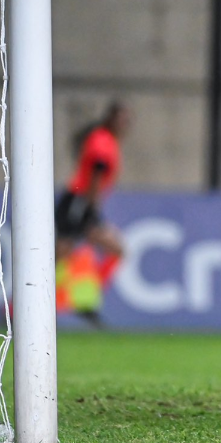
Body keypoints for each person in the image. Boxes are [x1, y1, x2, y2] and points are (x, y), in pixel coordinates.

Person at [54, 100, 131, 325]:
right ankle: (19, 306)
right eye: (122, 118)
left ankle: (86, 299)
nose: (126, 124)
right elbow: (96, 174)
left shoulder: (106, 140)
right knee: (59, 254)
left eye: (128, 120)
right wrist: (92, 207)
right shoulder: (102, 140)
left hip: (84, 201)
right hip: (79, 201)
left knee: (114, 250)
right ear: (111, 118)